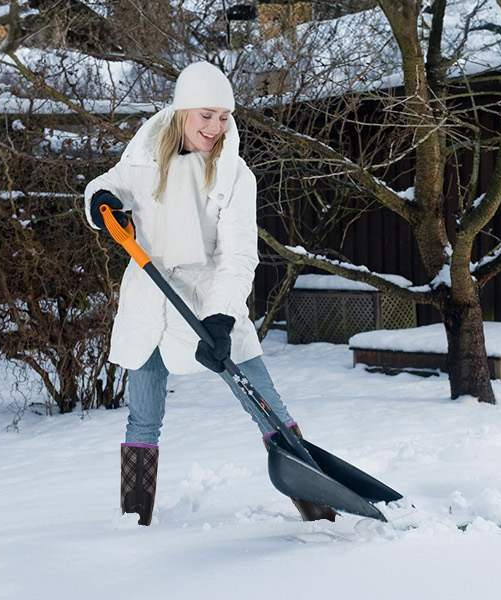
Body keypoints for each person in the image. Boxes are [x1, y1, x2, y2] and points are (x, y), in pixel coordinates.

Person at [83, 62, 335, 526]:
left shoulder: (235, 175)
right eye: (206, 115)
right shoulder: (142, 157)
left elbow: (238, 256)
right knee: (142, 417)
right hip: (149, 296)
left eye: (223, 116)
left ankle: (318, 508)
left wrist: (221, 317)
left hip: (207, 299)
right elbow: (109, 186)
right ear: (182, 111)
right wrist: (101, 203)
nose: (215, 127)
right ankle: (133, 522)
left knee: (265, 405)